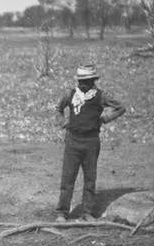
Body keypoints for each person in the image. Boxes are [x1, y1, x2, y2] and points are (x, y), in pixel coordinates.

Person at [54, 64, 126, 222]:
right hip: (72, 141)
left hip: (91, 142)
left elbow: (120, 107)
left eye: (86, 80)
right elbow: (58, 107)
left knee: (90, 178)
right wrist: (63, 122)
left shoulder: (100, 96)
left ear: (94, 80)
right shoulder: (71, 94)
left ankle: (87, 212)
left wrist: (106, 118)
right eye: (80, 80)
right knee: (68, 178)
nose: (83, 84)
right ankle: (62, 212)